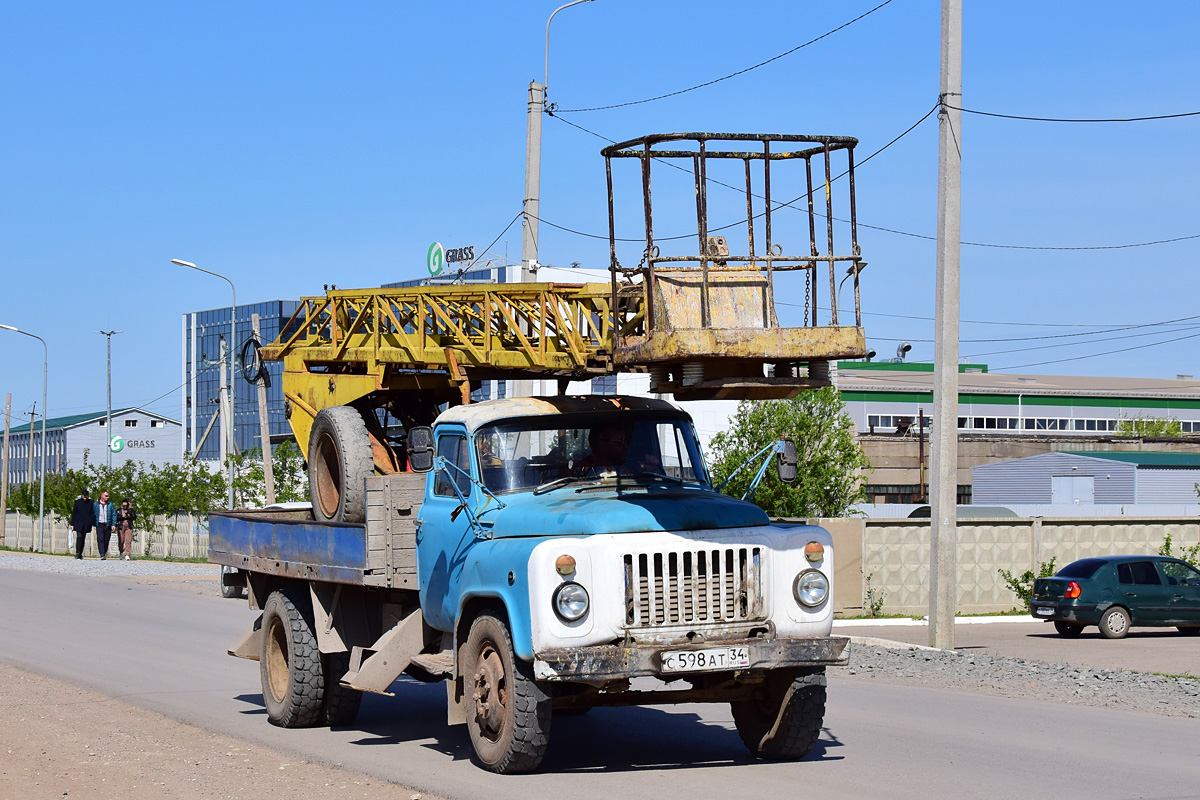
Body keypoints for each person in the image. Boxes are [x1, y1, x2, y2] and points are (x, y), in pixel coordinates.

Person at [69, 489, 95, 559]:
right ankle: (77, 552)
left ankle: (80, 553)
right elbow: (74, 513)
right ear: (81, 495)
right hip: (78, 522)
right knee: (79, 537)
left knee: (83, 538)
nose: (85, 497)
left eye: (86, 496)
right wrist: (72, 524)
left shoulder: (90, 503)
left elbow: (92, 513)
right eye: (84, 496)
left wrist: (91, 521)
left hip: (86, 523)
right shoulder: (77, 502)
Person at [93, 490, 116, 560]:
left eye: (108, 496)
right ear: (102, 496)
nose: (107, 497)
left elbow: (113, 514)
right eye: (106, 496)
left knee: (106, 540)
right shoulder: (96, 504)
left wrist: (113, 524)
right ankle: (102, 554)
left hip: (107, 524)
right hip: (99, 524)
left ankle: (104, 552)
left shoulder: (110, 504)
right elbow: (92, 513)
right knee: (100, 539)